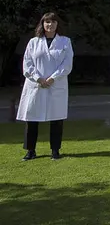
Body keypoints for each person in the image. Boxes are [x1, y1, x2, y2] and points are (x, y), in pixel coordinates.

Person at [17, 12, 73, 161]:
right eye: (47, 22)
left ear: (57, 24)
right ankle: (30, 151)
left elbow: (67, 64)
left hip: (56, 85)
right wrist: (38, 79)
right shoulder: (33, 42)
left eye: (53, 22)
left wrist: (53, 78)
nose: (50, 25)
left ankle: (55, 151)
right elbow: (27, 64)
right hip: (36, 85)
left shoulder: (65, 42)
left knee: (56, 119)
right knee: (32, 118)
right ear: (42, 24)